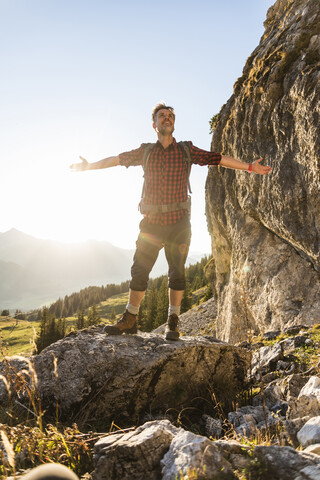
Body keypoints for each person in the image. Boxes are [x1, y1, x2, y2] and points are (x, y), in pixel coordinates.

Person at [70, 103, 271, 340]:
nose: (167, 118)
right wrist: (89, 166)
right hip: (151, 224)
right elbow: (116, 159)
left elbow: (217, 158)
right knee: (139, 271)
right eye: (162, 116)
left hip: (179, 223)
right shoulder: (145, 151)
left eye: (170, 116)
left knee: (177, 273)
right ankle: (130, 319)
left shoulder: (186, 149)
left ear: (173, 123)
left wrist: (249, 167)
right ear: (154, 125)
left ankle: (172, 322)